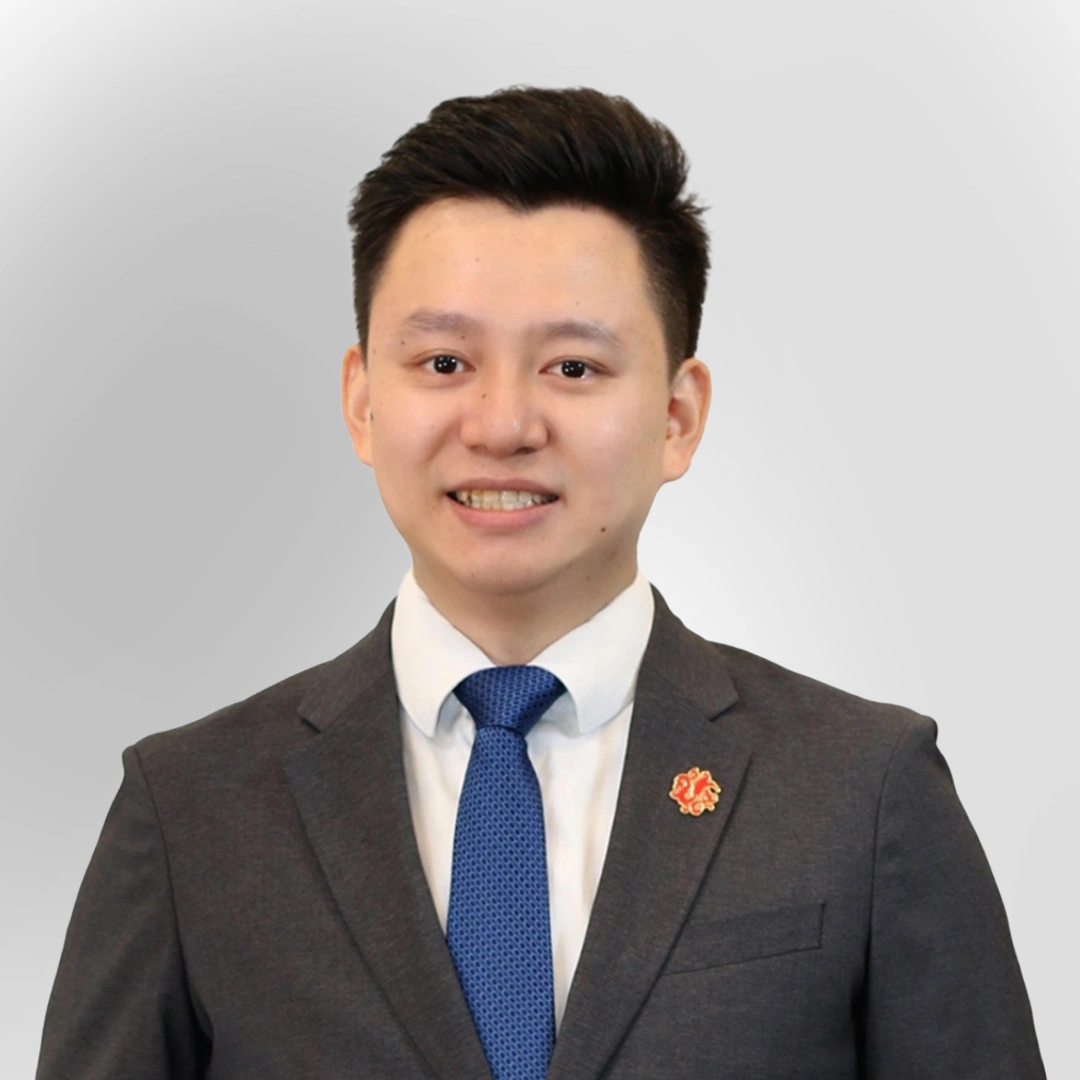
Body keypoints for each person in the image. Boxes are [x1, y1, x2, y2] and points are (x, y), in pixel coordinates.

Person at [37, 86, 1044, 1080]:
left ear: (677, 416)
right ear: (361, 401)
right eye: (442, 362)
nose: (503, 424)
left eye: (572, 368)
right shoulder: (192, 810)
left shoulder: (861, 789)